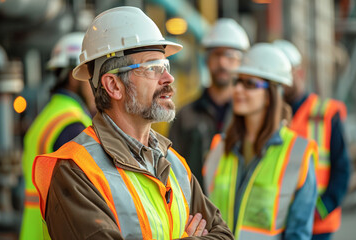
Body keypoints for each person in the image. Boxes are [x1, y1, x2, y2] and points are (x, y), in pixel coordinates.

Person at [31, 6, 233, 240]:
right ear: (113, 86)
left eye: (165, 66)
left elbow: (224, 235)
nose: (168, 78)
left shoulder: (173, 163)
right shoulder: (75, 171)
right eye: (152, 68)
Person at [203, 43, 318, 239]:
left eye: (250, 84)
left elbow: (298, 232)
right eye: (237, 81)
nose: (238, 89)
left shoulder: (297, 153)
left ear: (270, 95)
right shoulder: (220, 148)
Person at [273, 39, 351, 240]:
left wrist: (321, 209)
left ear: (299, 73)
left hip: (318, 225)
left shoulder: (325, 113)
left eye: (286, 73)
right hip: (277, 221)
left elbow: (342, 168)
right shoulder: (270, 115)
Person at [20, 32, 93, 240]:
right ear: (74, 76)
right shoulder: (72, 125)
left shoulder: (49, 116)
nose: (96, 86)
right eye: (91, 76)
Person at [169, 18, 250, 188]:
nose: (222, 63)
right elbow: (172, 169)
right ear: (206, 59)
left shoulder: (249, 114)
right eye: (216, 55)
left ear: (241, 62)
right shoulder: (185, 116)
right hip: (196, 209)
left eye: (229, 56)